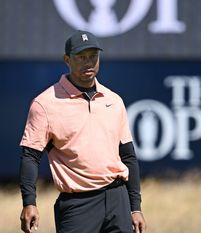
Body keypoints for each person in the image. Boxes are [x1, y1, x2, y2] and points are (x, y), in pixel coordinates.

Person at [19, 30, 146, 233]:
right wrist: (29, 202)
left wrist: (135, 207)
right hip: (77, 204)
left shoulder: (113, 100)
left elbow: (128, 157)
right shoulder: (45, 104)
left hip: (117, 199)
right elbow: (30, 157)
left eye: (93, 56)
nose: (88, 62)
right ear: (67, 60)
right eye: (81, 57)